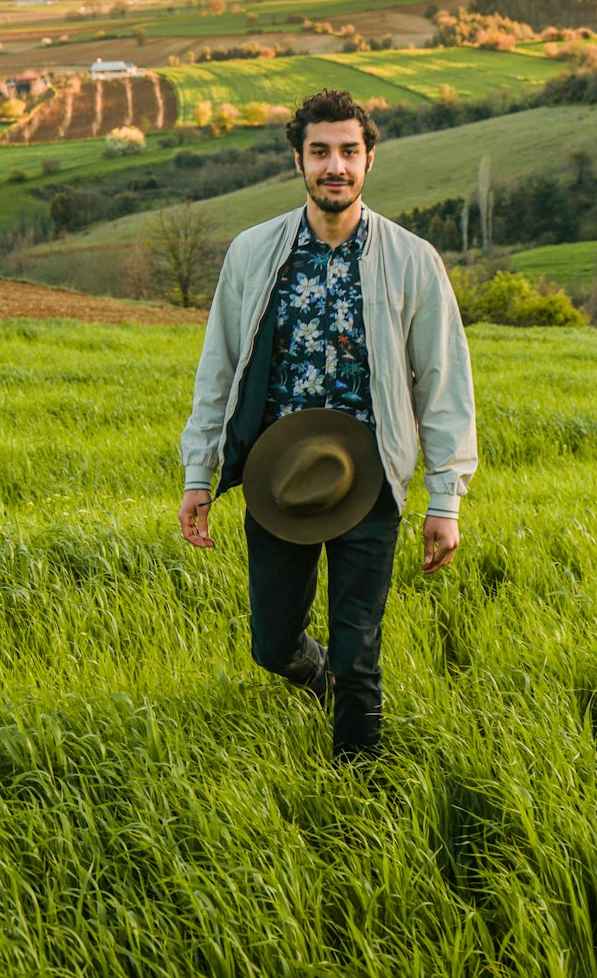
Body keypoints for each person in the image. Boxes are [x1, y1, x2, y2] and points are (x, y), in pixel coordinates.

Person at [178, 89, 477, 760]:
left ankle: (357, 801)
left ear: (369, 159)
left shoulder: (413, 260)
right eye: (320, 152)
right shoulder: (254, 254)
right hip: (278, 480)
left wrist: (445, 498)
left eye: (348, 151)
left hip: (371, 483)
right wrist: (200, 473)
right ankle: (319, 678)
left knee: (360, 652)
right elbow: (217, 368)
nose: (334, 166)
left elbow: (443, 384)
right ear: (298, 161)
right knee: (271, 644)